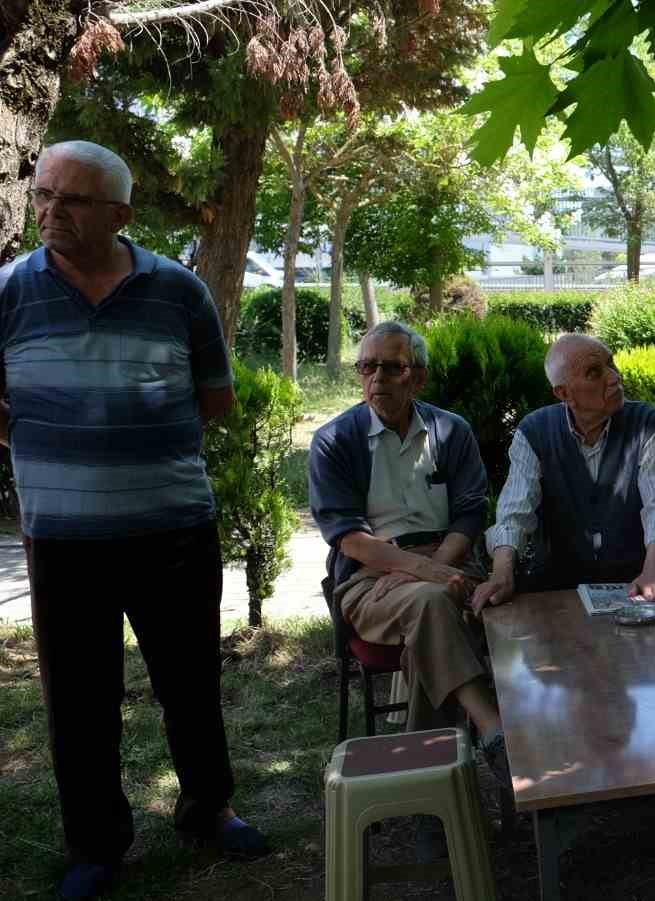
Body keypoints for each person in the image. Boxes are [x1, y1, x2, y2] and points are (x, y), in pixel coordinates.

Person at [1, 140, 266, 899]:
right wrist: (57, 449)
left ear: (120, 214)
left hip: (173, 530)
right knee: (78, 701)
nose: (51, 211)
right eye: (43, 194)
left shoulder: (178, 290)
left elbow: (215, 396)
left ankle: (209, 808)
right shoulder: (8, 292)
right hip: (63, 539)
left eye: (73, 200)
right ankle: (95, 846)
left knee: (190, 683)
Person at [307, 323, 510, 784]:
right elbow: (349, 539)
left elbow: (469, 515)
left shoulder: (450, 430)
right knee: (434, 602)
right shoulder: (334, 440)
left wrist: (431, 569)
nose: (377, 378)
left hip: (452, 561)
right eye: (367, 366)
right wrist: (421, 572)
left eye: (391, 367)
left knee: (429, 623)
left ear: (418, 377)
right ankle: (493, 728)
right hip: (370, 577)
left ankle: (426, 789)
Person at [473, 333, 655, 606]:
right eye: (594, 373)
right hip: (556, 587)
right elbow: (514, 513)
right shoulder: (534, 432)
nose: (614, 377)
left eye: (611, 363)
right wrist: (502, 574)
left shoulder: (647, 424)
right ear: (563, 393)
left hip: (635, 581)